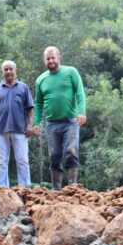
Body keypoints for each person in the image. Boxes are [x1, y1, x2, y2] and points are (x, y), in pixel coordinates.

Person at [33, 46, 87, 190]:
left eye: (53, 57)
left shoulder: (71, 72)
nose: (51, 60)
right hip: (51, 124)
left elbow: (80, 93)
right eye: (48, 58)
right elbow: (38, 103)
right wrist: (36, 122)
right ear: (44, 60)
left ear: (59, 58)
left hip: (71, 121)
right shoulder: (41, 79)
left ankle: (72, 187)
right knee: (54, 155)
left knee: (71, 151)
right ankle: (56, 189)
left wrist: (81, 112)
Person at [0, 60, 35, 187]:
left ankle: (25, 188)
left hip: (20, 130)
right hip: (0, 131)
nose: (8, 71)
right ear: (2, 72)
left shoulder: (23, 87)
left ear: (15, 70)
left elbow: (30, 109)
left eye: (10, 69)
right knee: (2, 162)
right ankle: (2, 188)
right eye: (5, 69)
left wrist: (30, 125)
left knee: (22, 160)